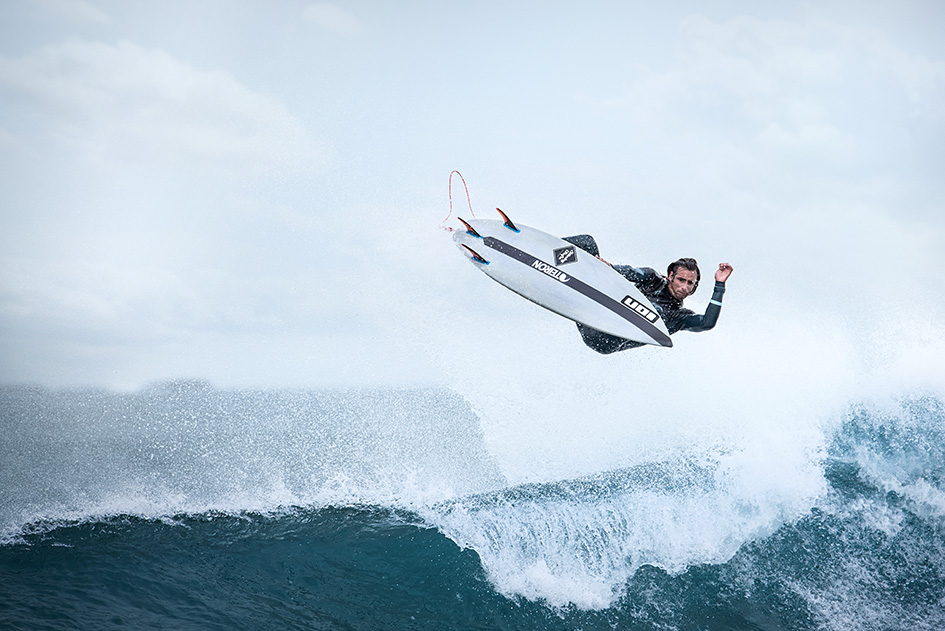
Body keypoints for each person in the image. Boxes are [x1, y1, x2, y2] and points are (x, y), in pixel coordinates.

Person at [562, 234, 734, 354]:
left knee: (655, 311)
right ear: (671, 276)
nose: (685, 287)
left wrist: (719, 284)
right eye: (681, 280)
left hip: (603, 339)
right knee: (587, 242)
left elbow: (707, 322)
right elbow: (630, 272)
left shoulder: (679, 317)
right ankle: (547, 257)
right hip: (596, 312)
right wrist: (608, 268)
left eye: (690, 283)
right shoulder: (652, 279)